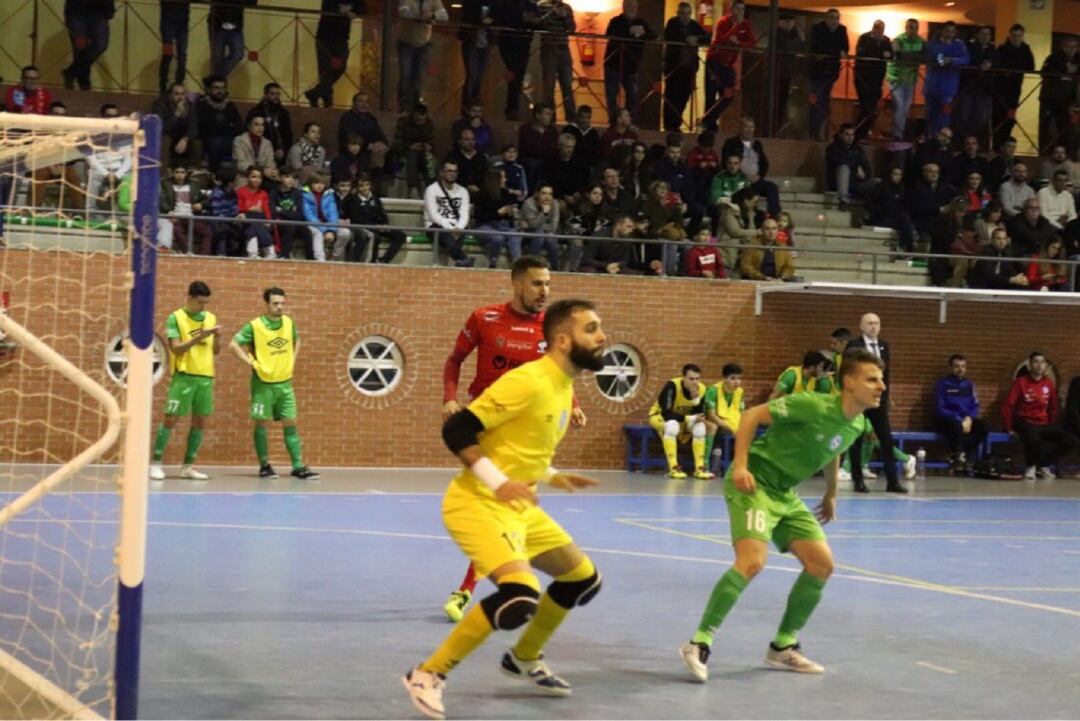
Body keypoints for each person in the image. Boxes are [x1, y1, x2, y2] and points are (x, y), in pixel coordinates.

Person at [402, 299, 606, 720]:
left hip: (520, 506)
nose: (602, 336)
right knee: (519, 597)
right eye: (592, 329)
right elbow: (457, 427)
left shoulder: (563, 385)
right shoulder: (528, 380)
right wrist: (499, 482)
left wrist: (552, 476)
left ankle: (523, 657)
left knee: (581, 580)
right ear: (564, 340)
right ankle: (428, 674)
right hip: (479, 503)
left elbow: (521, 446)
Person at [679, 348, 884, 682]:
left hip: (785, 493)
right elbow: (751, 417)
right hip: (754, 483)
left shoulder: (857, 422)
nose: (881, 386)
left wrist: (830, 493)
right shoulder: (813, 404)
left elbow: (834, 451)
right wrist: (742, 465)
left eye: (881, 379)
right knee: (752, 562)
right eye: (872, 379)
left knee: (821, 566)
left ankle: (783, 646)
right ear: (849, 382)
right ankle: (699, 643)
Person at [439, 256, 587, 620]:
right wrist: (450, 398)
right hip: (485, 424)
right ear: (517, 283)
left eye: (548, 284)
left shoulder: (551, 328)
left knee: (504, 508)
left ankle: (468, 589)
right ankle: (481, 585)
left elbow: (560, 375)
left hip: (525, 434)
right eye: (538, 283)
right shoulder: (484, 318)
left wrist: (575, 403)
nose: (545, 291)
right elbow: (454, 360)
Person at [227, 288, 319, 480]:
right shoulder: (255, 326)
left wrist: (293, 358)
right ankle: (265, 465)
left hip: (285, 384)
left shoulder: (288, 322)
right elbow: (233, 345)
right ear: (267, 304)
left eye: (282, 303)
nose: (279, 307)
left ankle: (298, 466)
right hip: (263, 384)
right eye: (275, 303)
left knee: (291, 422)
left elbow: (297, 339)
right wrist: (252, 363)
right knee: (262, 423)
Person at [150, 281, 221, 481]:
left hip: (206, 376)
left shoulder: (210, 318)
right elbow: (176, 348)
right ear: (189, 298)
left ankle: (188, 466)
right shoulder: (176, 318)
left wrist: (216, 338)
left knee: (200, 422)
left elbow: (216, 351)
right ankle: (155, 463)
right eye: (199, 302)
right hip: (184, 376)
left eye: (206, 303)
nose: (203, 307)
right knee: (170, 419)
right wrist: (199, 337)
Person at [845, 313, 907, 493]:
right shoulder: (854, 345)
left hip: (877, 399)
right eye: (870, 323)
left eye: (876, 323)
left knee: (886, 439)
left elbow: (885, 374)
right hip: (858, 398)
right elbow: (848, 371)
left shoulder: (884, 346)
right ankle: (858, 480)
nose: (873, 326)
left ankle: (892, 481)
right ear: (862, 326)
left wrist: (887, 395)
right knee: (856, 438)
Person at [1002, 351, 1077, 481]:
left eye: (1042, 362)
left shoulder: (1048, 383)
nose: (1039, 365)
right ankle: (1030, 467)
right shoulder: (1020, 382)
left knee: (1071, 441)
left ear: (1045, 366)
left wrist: (1051, 423)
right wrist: (1008, 427)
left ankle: (1044, 464)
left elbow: (1053, 407)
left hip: (1043, 422)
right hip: (1024, 420)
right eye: (1036, 362)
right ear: (1030, 365)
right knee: (1033, 438)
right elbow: (1008, 405)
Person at [648, 364, 714, 480]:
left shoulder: (702, 389)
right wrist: (690, 418)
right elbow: (666, 414)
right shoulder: (672, 386)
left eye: (697, 379)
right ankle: (673, 468)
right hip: (659, 417)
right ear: (683, 378)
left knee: (700, 427)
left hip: (683, 420)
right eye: (691, 379)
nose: (695, 382)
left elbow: (699, 415)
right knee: (672, 425)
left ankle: (699, 469)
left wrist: (695, 399)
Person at [703, 0, 756, 133]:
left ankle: (708, 119)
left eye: (742, 10)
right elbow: (719, 40)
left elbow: (752, 43)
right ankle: (709, 126)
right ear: (731, 9)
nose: (740, 13)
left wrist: (739, 43)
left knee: (728, 96)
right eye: (737, 9)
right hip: (715, 62)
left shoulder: (746, 24)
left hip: (728, 65)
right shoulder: (722, 22)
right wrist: (732, 31)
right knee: (710, 95)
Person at [934, 354, 989, 474]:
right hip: (947, 419)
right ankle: (958, 457)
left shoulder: (970, 385)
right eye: (957, 366)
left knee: (983, 427)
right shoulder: (943, 384)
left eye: (963, 366)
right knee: (956, 427)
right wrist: (959, 419)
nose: (960, 369)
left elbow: (975, 405)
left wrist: (969, 418)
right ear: (951, 368)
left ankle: (964, 452)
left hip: (967, 419)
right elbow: (940, 407)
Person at [306, 0, 366, 107]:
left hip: (341, 38)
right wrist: (350, 10)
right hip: (325, 37)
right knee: (325, 70)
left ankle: (315, 93)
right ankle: (326, 99)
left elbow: (362, 7)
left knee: (340, 68)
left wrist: (348, 9)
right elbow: (330, 6)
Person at [603, 0, 656, 122]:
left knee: (632, 95)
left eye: (634, 6)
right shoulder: (615, 21)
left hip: (631, 66)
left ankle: (629, 122)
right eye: (630, 6)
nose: (632, 9)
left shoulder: (641, 22)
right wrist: (630, 32)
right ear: (624, 7)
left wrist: (643, 32)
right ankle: (613, 122)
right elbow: (610, 34)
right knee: (612, 95)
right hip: (613, 64)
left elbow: (653, 35)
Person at [720, 117, 782, 218]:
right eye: (746, 127)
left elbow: (764, 163)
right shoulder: (731, 143)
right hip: (740, 181)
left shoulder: (757, 144)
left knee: (772, 187)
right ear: (740, 128)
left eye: (751, 127)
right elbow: (726, 163)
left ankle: (774, 216)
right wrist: (742, 176)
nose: (749, 130)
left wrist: (759, 176)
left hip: (756, 180)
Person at [526, 0, 577, 121]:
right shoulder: (542, 6)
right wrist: (549, 14)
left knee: (567, 84)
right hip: (548, 48)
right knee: (549, 85)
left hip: (564, 48)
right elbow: (539, 24)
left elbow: (572, 29)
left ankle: (571, 118)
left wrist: (564, 17)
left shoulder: (567, 8)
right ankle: (550, 118)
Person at [662, 3, 708, 132]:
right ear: (678, 13)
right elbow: (668, 36)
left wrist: (696, 38)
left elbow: (707, 38)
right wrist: (686, 39)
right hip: (673, 67)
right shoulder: (672, 23)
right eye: (683, 13)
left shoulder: (694, 25)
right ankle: (669, 126)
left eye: (688, 13)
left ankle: (675, 124)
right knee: (671, 97)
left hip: (689, 68)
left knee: (684, 97)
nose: (685, 16)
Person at [397, 0, 448, 112]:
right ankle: (403, 105)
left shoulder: (434, 1)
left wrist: (432, 15)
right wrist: (420, 16)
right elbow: (403, 12)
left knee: (419, 76)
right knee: (406, 74)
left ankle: (416, 107)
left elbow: (444, 15)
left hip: (424, 43)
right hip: (406, 42)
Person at [806, 9, 849, 141]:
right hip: (816, 71)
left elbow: (845, 48)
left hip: (831, 71)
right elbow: (816, 46)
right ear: (825, 18)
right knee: (816, 102)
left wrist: (838, 52)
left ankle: (818, 132)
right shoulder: (817, 29)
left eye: (837, 18)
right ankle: (814, 132)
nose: (834, 20)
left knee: (824, 103)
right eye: (832, 17)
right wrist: (834, 51)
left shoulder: (842, 30)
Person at [424, 160, 474, 267]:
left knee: (456, 237)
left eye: (455, 171)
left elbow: (464, 214)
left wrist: (458, 227)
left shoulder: (463, 191)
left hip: (457, 227)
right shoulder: (431, 190)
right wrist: (450, 228)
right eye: (449, 171)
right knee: (447, 237)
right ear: (441, 173)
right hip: (436, 226)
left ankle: (461, 263)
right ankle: (464, 260)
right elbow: (433, 215)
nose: (452, 174)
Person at [923, 22, 969, 138]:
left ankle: (941, 144)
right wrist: (943, 59)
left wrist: (952, 60)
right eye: (947, 31)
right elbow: (934, 56)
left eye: (952, 31)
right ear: (942, 31)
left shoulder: (959, 45)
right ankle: (929, 142)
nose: (949, 34)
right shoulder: (933, 44)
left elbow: (966, 59)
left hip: (948, 89)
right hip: (931, 87)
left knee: (944, 117)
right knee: (930, 117)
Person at [492, 0, 535, 121]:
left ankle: (513, 109)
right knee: (514, 75)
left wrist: (533, 21)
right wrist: (521, 18)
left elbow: (538, 23)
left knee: (518, 76)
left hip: (524, 45)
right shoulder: (505, 4)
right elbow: (500, 18)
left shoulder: (530, 5)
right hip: (508, 44)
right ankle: (511, 109)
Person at [993, 25, 1035, 148]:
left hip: (1015, 88)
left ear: (1022, 36)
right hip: (1000, 88)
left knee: (1010, 118)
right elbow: (998, 65)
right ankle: (996, 145)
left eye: (1019, 35)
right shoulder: (1002, 49)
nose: (1016, 38)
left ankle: (1005, 143)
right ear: (1010, 36)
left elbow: (1030, 67)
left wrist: (1015, 70)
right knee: (998, 117)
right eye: (1014, 35)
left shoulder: (1025, 49)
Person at [473, 167, 522, 267]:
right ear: (496, 179)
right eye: (503, 177)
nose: (505, 180)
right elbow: (479, 217)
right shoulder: (481, 194)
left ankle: (518, 264)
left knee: (513, 234)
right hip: (483, 226)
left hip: (500, 225)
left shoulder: (505, 193)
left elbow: (507, 218)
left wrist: (510, 213)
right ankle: (492, 264)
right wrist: (498, 213)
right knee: (497, 238)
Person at [61, 0, 114, 90]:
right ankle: (84, 82)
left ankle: (72, 71)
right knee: (80, 47)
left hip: (99, 12)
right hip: (77, 12)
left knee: (101, 45)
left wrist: (109, 8)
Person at [956, 25, 996, 143]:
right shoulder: (969, 47)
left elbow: (999, 62)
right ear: (977, 35)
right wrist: (979, 66)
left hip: (984, 89)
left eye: (987, 34)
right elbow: (966, 61)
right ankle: (963, 141)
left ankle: (973, 141)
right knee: (964, 116)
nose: (985, 36)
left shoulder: (993, 50)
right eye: (982, 33)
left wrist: (991, 64)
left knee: (981, 117)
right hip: (968, 87)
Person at [1039, 36, 1080, 151]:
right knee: (1046, 127)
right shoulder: (1054, 57)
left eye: (1074, 47)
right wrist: (1064, 69)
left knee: (1065, 127)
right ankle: (1044, 152)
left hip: (1068, 100)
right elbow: (1044, 73)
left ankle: (1064, 153)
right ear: (1063, 47)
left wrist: (1076, 70)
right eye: (1068, 46)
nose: (1072, 49)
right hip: (1050, 98)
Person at [195, 75, 244, 171]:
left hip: (229, 139)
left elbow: (239, 127)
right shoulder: (202, 105)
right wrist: (226, 127)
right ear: (209, 90)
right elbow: (204, 127)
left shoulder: (230, 106)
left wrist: (224, 128)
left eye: (222, 88)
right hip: (208, 139)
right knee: (216, 143)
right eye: (216, 88)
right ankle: (215, 173)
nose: (220, 91)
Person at [886, 19, 924, 141]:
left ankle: (899, 132)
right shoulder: (898, 40)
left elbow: (926, 57)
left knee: (905, 108)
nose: (912, 30)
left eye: (915, 28)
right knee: (899, 106)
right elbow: (898, 54)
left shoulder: (921, 41)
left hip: (910, 79)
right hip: (896, 78)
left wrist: (908, 56)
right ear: (906, 28)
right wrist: (915, 57)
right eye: (910, 27)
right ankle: (898, 135)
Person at [853, 20, 891, 141]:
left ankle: (865, 131)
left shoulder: (886, 40)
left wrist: (882, 53)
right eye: (877, 28)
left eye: (881, 29)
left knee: (876, 108)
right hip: (862, 78)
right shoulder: (864, 38)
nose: (879, 31)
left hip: (877, 80)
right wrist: (879, 52)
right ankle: (859, 134)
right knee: (866, 107)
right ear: (873, 28)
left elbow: (890, 55)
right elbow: (863, 54)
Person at [703, 363, 743, 472]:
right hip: (716, 422)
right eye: (733, 378)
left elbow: (741, 412)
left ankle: (743, 466)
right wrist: (727, 425)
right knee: (714, 427)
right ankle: (705, 463)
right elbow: (711, 416)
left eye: (739, 378)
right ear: (725, 379)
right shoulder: (713, 391)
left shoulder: (740, 392)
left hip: (732, 423)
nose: (737, 382)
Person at [825, 124, 872, 208]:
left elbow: (867, 167)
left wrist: (864, 175)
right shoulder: (832, 148)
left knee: (877, 182)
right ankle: (843, 201)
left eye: (852, 135)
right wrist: (855, 167)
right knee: (844, 168)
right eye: (847, 134)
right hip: (838, 184)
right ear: (841, 135)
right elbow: (838, 162)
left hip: (856, 183)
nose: (850, 137)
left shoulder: (858, 149)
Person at [248, 83, 294, 168]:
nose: (276, 97)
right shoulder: (256, 112)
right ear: (265, 95)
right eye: (272, 94)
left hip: (281, 153)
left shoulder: (283, 113)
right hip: (261, 151)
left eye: (278, 94)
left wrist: (283, 150)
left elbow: (288, 135)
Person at [773, 12, 804, 136]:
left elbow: (801, 48)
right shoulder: (777, 33)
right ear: (780, 22)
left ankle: (781, 129)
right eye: (786, 21)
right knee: (776, 102)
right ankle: (774, 129)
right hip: (776, 72)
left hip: (789, 73)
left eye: (791, 21)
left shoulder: (795, 34)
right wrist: (799, 41)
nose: (789, 24)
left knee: (786, 103)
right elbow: (787, 48)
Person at [208, 0, 255, 79]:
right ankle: (217, 81)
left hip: (235, 24)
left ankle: (216, 80)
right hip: (217, 23)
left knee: (238, 54)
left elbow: (252, 2)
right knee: (217, 57)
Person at [301, 172, 342, 262]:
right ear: (310, 183)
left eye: (322, 183)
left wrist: (330, 230)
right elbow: (309, 215)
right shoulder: (304, 194)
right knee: (317, 233)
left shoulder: (329, 194)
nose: (320, 186)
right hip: (311, 224)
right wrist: (325, 230)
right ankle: (320, 259)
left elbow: (333, 213)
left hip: (328, 225)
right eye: (316, 183)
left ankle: (335, 258)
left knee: (345, 233)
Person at [159, 0, 192, 95]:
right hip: (168, 23)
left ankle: (179, 84)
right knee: (168, 54)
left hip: (182, 24)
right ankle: (163, 86)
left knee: (182, 54)